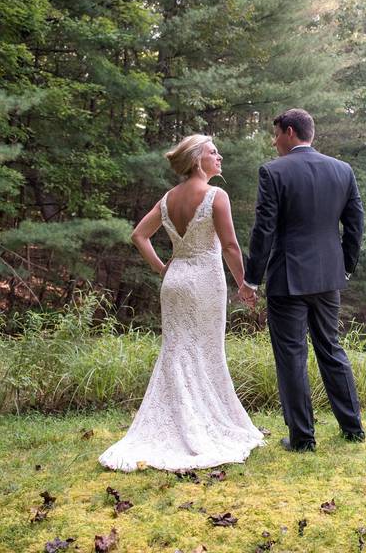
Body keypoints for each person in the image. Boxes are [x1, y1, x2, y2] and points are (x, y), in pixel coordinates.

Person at [99, 135, 264, 471]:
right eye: (212, 151)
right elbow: (231, 247)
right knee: (205, 351)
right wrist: (244, 285)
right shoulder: (216, 196)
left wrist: (162, 269)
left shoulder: (168, 198)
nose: (219, 155)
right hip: (204, 281)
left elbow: (138, 235)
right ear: (196, 160)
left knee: (176, 350)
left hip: (175, 283)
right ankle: (202, 424)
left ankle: (179, 420)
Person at [240, 108, 366, 452]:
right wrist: (345, 267)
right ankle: (353, 428)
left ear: (291, 132)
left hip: (287, 278)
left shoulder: (273, 171)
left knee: (292, 356)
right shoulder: (342, 170)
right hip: (328, 277)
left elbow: (263, 229)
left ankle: (302, 438)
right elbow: (355, 224)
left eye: (276, 133)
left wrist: (251, 279)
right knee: (331, 349)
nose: (274, 140)